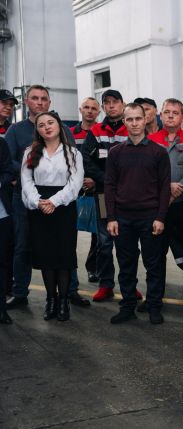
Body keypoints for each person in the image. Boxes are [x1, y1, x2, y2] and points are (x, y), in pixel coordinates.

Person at [4, 85, 75, 310]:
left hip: (58, 198)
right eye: (35, 98)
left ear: (49, 103)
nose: (40, 102)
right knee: (23, 245)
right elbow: (9, 161)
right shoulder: (15, 131)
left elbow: (72, 159)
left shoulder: (63, 129)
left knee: (63, 246)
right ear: (27, 101)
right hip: (23, 196)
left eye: (44, 98)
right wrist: (29, 175)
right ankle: (20, 292)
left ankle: (70, 292)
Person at [104, 103, 170, 325]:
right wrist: (111, 217)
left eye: (138, 119)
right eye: (129, 119)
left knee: (154, 264)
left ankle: (153, 306)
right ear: (124, 122)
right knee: (126, 265)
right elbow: (110, 187)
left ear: (145, 120)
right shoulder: (115, 153)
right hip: (122, 218)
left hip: (150, 217)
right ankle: (128, 306)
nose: (134, 123)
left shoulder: (159, 152)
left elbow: (164, 188)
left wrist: (160, 217)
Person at [20, 111, 84, 321]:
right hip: (39, 208)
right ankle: (51, 300)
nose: (46, 127)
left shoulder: (73, 153)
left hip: (63, 208)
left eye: (50, 123)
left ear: (59, 126)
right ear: (37, 130)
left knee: (63, 257)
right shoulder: (30, 152)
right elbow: (26, 181)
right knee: (46, 257)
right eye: (41, 125)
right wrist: (38, 201)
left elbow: (74, 185)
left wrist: (54, 202)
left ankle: (64, 300)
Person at [82, 89, 143, 303]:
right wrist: (108, 180)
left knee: (128, 244)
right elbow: (87, 161)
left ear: (122, 103)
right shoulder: (96, 131)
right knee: (105, 242)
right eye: (106, 102)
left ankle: (129, 285)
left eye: (114, 102)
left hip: (129, 197)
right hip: (104, 195)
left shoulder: (132, 128)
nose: (110, 106)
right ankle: (106, 284)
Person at [148, 98, 183, 306]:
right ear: (160, 115)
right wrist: (166, 187)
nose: (170, 116)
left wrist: (179, 187)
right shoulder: (151, 140)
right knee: (156, 253)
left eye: (175, 112)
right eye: (167, 112)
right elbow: (146, 171)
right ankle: (154, 297)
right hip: (158, 206)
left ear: (182, 117)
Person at [71, 97, 101, 286]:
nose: (90, 111)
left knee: (100, 234)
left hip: (98, 189)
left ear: (99, 112)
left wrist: (95, 180)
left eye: (94, 108)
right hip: (74, 190)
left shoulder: (101, 133)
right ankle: (70, 274)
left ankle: (93, 268)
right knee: (69, 231)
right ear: (80, 109)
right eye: (86, 108)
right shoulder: (69, 133)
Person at [0, 137, 14, 323]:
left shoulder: (1, 144)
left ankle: (1, 308)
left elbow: (8, 171)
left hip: (1, 214)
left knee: (2, 262)